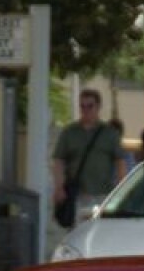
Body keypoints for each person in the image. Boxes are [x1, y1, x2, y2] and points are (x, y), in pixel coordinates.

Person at [52, 88, 127, 226]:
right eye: (82, 106)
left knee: (100, 232)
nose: (85, 110)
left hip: (103, 195)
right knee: (78, 232)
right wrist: (59, 187)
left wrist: (120, 190)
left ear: (98, 107)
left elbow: (120, 162)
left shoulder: (109, 133)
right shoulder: (70, 132)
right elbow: (59, 161)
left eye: (90, 106)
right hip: (77, 195)